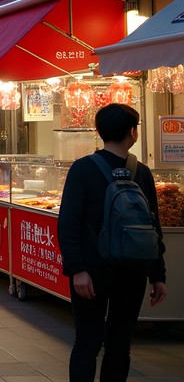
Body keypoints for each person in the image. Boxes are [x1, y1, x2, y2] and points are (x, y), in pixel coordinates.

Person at [57, 103, 167, 382]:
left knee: (87, 342)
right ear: (133, 132)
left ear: (100, 132)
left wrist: (77, 269)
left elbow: (68, 222)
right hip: (134, 268)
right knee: (120, 344)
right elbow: (153, 226)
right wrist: (157, 275)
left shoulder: (82, 169)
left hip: (92, 272)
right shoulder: (141, 171)